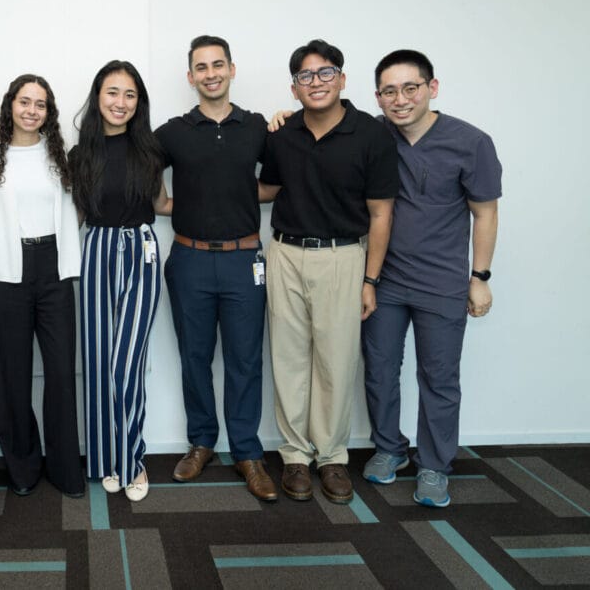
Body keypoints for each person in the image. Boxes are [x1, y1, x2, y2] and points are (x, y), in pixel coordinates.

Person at [258, 39, 398, 504]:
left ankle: (333, 457)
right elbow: (269, 188)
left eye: (325, 73)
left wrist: (370, 280)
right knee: (289, 358)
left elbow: (381, 213)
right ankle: (295, 456)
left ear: (341, 79)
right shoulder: (282, 134)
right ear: (294, 88)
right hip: (285, 254)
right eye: (305, 76)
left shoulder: (372, 135)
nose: (315, 82)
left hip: (343, 258)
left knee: (337, 361)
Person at [361, 50, 501, 507]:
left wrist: (479, 277)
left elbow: (485, 212)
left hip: (442, 282)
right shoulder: (374, 134)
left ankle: (435, 466)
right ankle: (389, 449)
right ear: (378, 96)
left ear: (431, 88)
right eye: (389, 91)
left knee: (439, 377)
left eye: (410, 88)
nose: (399, 99)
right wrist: (285, 115)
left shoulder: (471, 142)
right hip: (384, 279)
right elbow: (327, 124)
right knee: (380, 370)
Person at [156, 35, 276, 501]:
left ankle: (247, 452)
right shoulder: (172, 132)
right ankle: (201, 442)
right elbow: (144, 180)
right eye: (201, 67)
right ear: (190, 77)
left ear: (231, 69)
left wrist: (241, 196)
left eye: (217, 65)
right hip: (188, 258)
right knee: (195, 358)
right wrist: (171, 205)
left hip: (245, 260)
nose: (210, 73)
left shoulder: (260, 128)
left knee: (246, 360)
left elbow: (280, 181)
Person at [70, 60, 170, 502]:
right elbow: (72, 215)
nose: (121, 103)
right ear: (98, 97)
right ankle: (104, 458)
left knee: (126, 363)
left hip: (142, 251)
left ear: (138, 102)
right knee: (96, 360)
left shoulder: (151, 150)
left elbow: (162, 203)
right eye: (113, 93)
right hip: (95, 250)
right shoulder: (79, 155)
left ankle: (133, 460)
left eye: (130, 95)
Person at [0, 75, 85, 499]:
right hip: (8, 270)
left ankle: (64, 468)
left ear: (49, 112)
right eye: (24, 102)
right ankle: (22, 465)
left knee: (61, 373)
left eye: (40, 104)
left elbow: (75, 209)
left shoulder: (60, 155)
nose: (31, 110)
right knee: (13, 375)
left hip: (54, 270)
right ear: (10, 106)